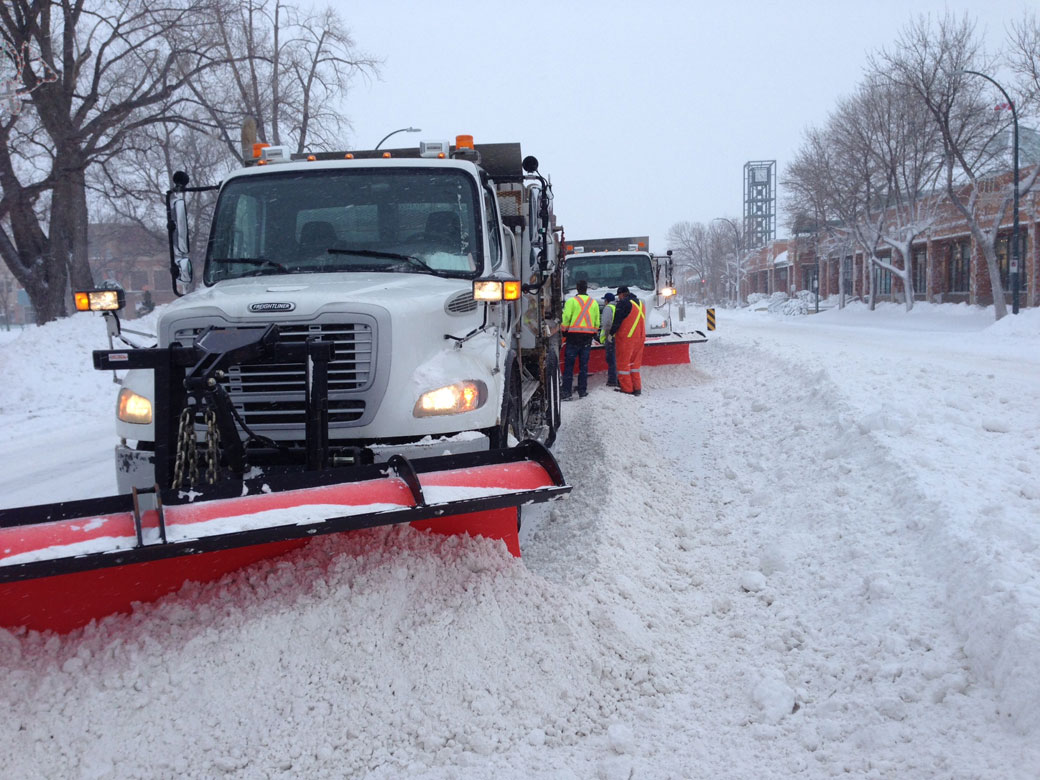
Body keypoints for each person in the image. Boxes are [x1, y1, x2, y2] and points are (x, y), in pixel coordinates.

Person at [560, 279, 600, 400]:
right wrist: (593, 334)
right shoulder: (593, 303)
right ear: (586, 288)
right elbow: (597, 322)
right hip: (586, 339)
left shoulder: (571, 302)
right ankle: (582, 391)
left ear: (577, 288)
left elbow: (566, 318)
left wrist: (564, 331)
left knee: (569, 366)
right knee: (583, 366)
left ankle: (567, 392)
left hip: (573, 338)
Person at [609, 286, 646, 396]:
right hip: (640, 338)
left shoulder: (623, 303)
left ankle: (627, 388)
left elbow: (617, 321)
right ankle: (637, 387)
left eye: (619, 296)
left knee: (623, 364)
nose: (618, 298)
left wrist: (611, 333)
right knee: (635, 365)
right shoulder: (640, 303)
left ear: (622, 294)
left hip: (626, 338)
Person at [598, 292, 618, 387]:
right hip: (618, 337)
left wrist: (607, 337)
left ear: (606, 301)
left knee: (611, 359)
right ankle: (618, 378)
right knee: (616, 359)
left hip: (610, 338)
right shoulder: (617, 307)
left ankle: (612, 380)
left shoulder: (608, 308)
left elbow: (606, 324)